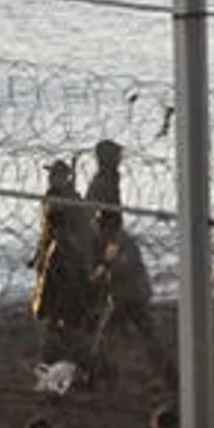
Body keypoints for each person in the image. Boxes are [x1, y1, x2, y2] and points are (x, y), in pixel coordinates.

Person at [90, 209, 175, 392]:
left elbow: (122, 265)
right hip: (128, 296)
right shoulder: (116, 241)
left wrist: (103, 271)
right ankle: (168, 374)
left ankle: (103, 377)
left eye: (99, 224)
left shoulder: (118, 242)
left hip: (130, 297)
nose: (96, 227)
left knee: (109, 338)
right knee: (143, 336)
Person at [32, 160, 97, 370]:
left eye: (56, 175)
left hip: (65, 263)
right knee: (59, 313)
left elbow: (63, 232)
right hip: (59, 260)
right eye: (51, 175)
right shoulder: (59, 197)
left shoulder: (62, 199)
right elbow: (48, 233)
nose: (51, 178)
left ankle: (66, 358)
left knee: (66, 312)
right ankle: (62, 357)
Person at [86, 138, 124, 226]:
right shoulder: (103, 181)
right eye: (116, 155)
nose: (119, 159)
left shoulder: (112, 179)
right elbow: (90, 211)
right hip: (104, 231)